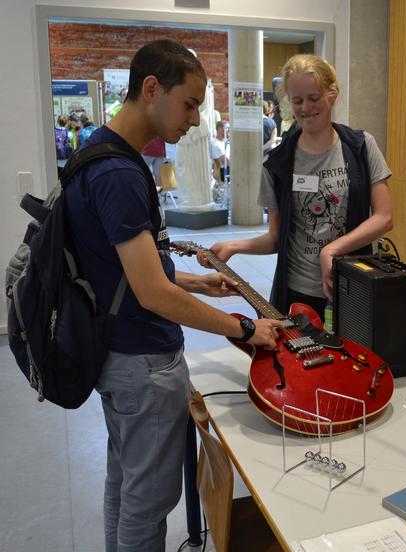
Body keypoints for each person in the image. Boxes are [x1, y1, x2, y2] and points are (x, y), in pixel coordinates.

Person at [63, 39, 281, 552]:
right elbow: (152, 294)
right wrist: (245, 328)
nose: (194, 120)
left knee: (125, 483)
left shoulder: (98, 151)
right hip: (141, 362)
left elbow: (124, 270)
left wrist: (198, 282)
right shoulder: (119, 173)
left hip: (116, 355)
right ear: (151, 88)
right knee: (148, 502)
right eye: (189, 103)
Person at [201, 54, 393, 320]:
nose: (306, 108)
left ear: (332, 94)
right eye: (297, 100)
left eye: (314, 98)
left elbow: (384, 218)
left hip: (352, 285)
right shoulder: (277, 163)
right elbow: (276, 237)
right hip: (296, 294)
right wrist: (235, 246)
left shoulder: (360, 146)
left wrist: (332, 249)